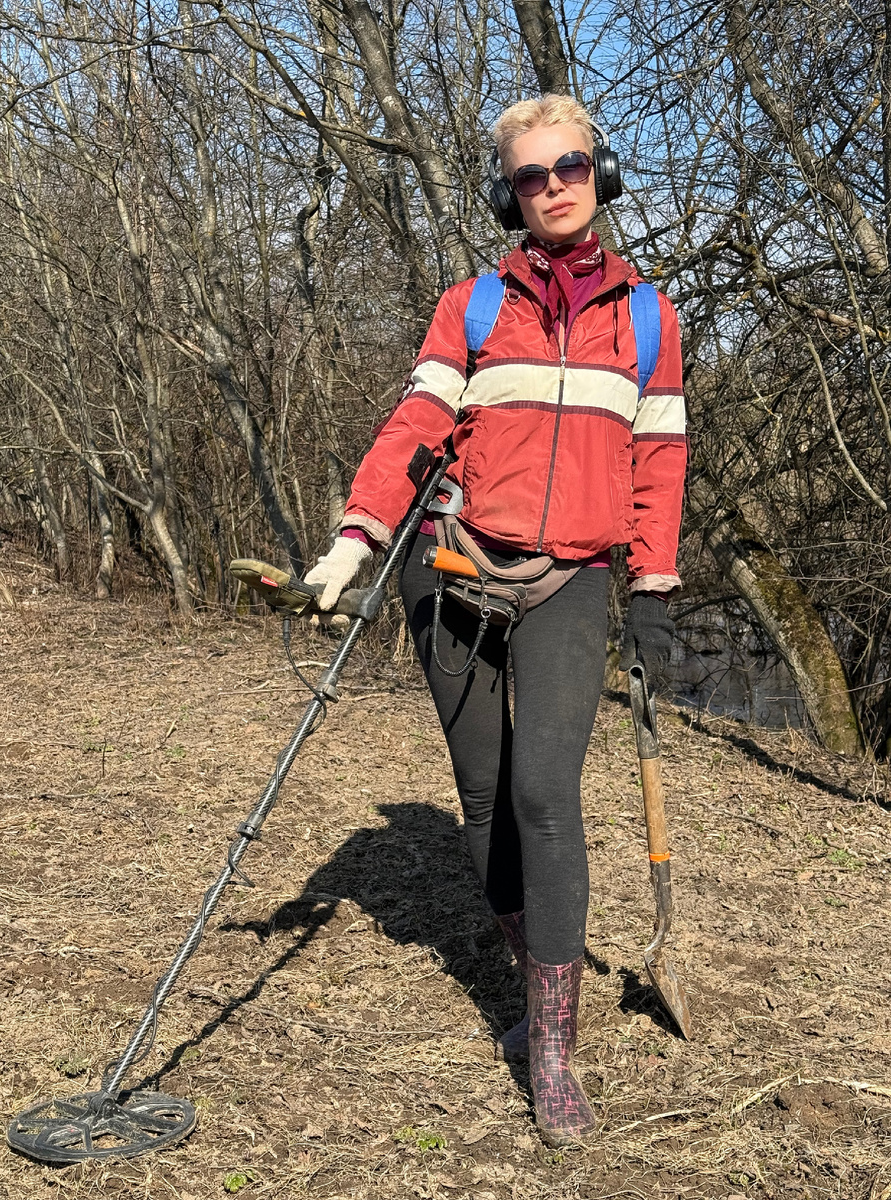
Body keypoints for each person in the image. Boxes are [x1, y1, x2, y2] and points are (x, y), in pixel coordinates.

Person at [304, 94, 686, 1147]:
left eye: (571, 166)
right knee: (482, 802)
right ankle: (535, 988)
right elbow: (419, 422)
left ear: (598, 174)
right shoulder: (471, 306)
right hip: (451, 566)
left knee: (544, 794)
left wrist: (652, 584)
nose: (553, 185)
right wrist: (356, 537)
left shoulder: (648, 319)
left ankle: (553, 1054)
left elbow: (659, 459)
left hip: (570, 576)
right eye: (530, 174)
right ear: (506, 193)